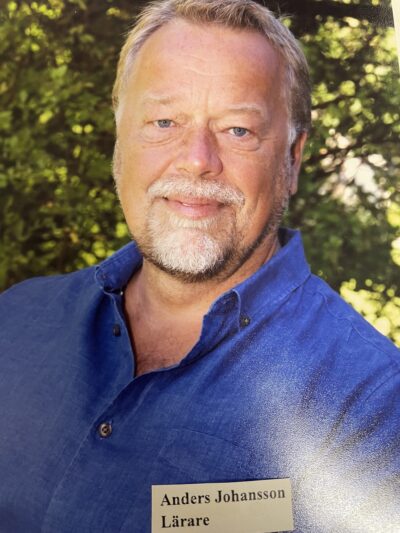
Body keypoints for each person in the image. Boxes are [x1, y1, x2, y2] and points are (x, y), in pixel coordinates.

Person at [0, 1, 399, 531]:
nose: (196, 159)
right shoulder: (16, 319)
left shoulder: (373, 410)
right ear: (120, 141)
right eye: (163, 121)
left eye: (238, 130)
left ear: (292, 159)